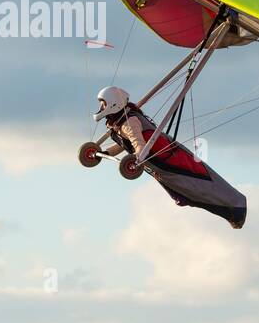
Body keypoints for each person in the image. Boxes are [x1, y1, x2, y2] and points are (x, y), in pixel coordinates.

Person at [92, 86, 247, 229]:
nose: (101, 108)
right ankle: (233, 211)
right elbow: (126, 145)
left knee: (196, 186)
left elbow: (137, 143)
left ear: (114, 104)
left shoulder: (129, 122)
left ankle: (236, 209)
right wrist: (106, 153)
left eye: (104, 104)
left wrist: (136, 159)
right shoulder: (119, 122)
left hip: (168, 159)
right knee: (183, 195)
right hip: (159, 163)